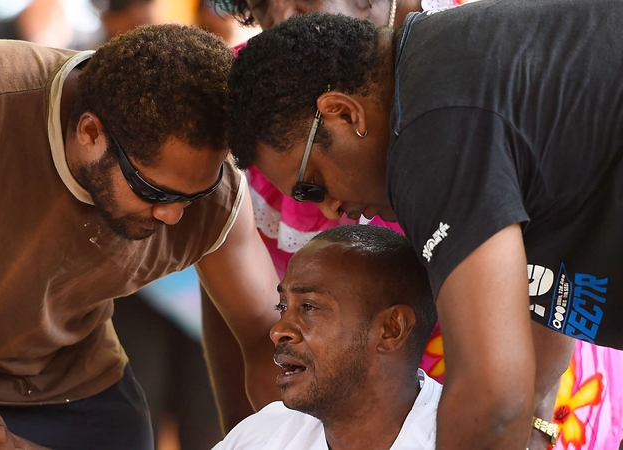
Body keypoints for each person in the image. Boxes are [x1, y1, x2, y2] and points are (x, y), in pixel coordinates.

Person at [0, 24, 280, 450]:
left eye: (193, 194)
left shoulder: (213, 194)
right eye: (152, 190)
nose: (174, 215)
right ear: (90, 132)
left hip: (63, 383)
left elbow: (265, 335)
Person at [214, 1, 623, 449]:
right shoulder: (443, 67)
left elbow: (491, 401)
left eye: (312, 186)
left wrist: (521, 416)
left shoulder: (431, 128)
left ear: (345, 114)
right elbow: (541, 283)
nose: (329, 210)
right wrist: (534, 418)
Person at [214, 224, 440, 450]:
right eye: (282, 306)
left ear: (391, 329)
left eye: (309, 307)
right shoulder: (260, 437)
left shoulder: (460, 438)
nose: (278, 331)